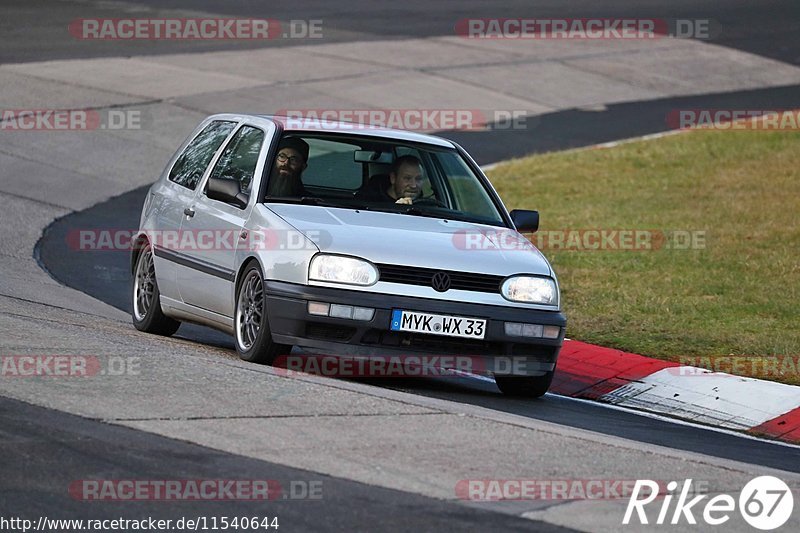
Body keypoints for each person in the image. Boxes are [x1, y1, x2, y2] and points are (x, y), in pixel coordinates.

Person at [357, 155, 424, 204]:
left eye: (418, 179)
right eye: (407, 178)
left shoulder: (427, 206)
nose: (413, 185)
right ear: (393, 178)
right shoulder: (369, 203)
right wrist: (397, 209)